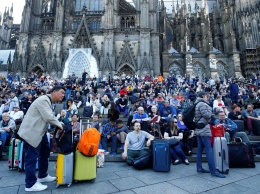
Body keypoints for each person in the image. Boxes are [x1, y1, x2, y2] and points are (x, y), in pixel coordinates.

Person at [18, 86, 65, 192]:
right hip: (32, 132)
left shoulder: (48, 101)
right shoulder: (44, 100)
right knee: (31, 158)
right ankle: (30, 184)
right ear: (54, 92)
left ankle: (42, 175)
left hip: (40, 132)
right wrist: (61, 126)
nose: (63, 95)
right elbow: (48, 117)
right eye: (61, 92)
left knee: (45, 152)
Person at [194, 91, 226, 178]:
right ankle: (213, 171)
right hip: (204, 129)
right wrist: (211, 109)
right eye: (207, 96)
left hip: (198, 128)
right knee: (209, 150)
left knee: (200, 149)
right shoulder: (202, 104)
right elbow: (207, 115)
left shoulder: (196, 103)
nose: (208, 98)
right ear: (203, 96)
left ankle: (199, 167)